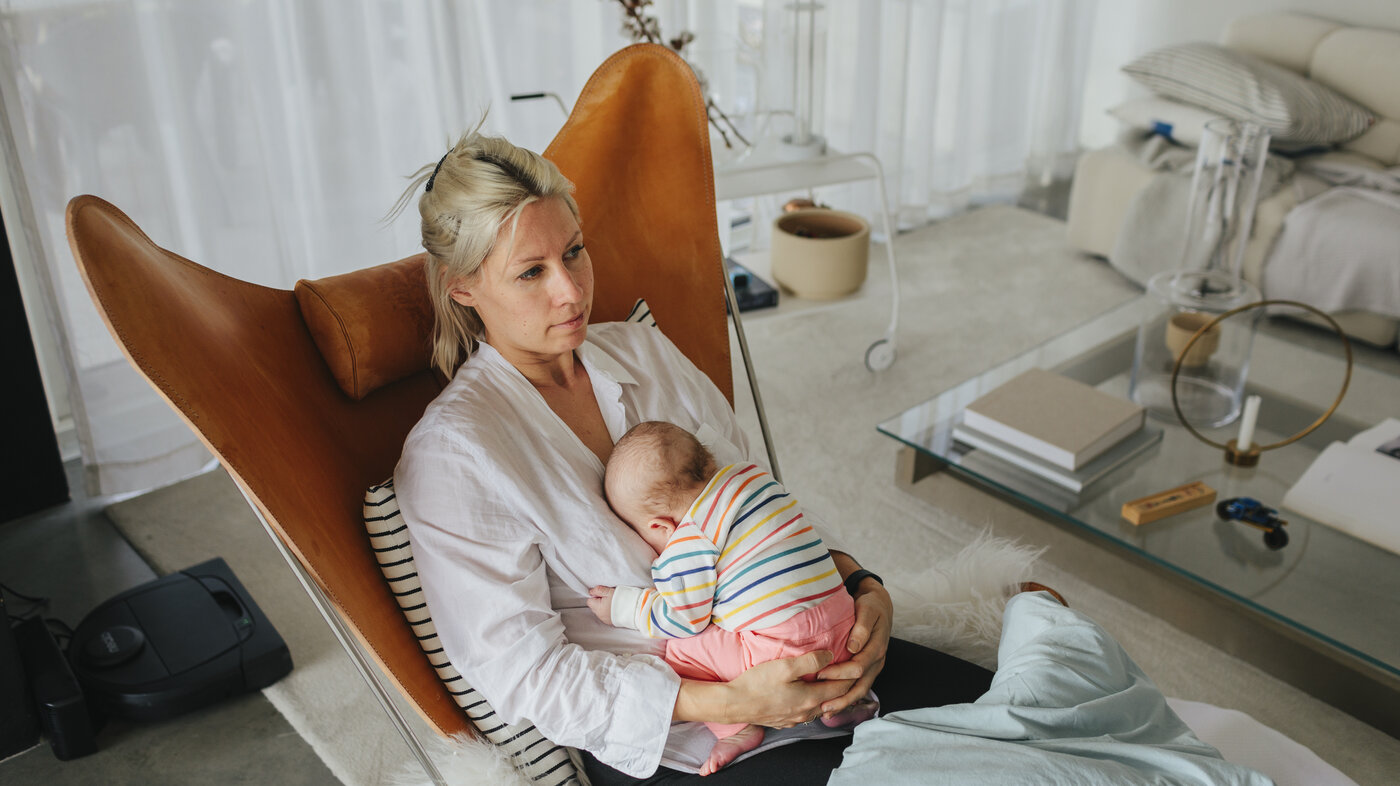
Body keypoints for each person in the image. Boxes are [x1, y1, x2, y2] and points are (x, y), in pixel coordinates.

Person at [392, 125, 995, 784]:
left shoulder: (642, 352)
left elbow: (758, 505)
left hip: (818, 661)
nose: (571, 292)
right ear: (461, 288)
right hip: (690, 741)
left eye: (574, 252)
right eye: (532, 272)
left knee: (1027, 718)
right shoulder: (455, 459)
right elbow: (527, 677)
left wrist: (862, 590)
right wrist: (731, 700)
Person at [591, 420, 879, 775]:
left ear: (659, 526)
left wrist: (624, 606)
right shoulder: (754, 480)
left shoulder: (688, 539)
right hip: (846, 626)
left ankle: (740, 727)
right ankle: (844, 706)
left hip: (781, 654)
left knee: (682, 649)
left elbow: (684, 618)